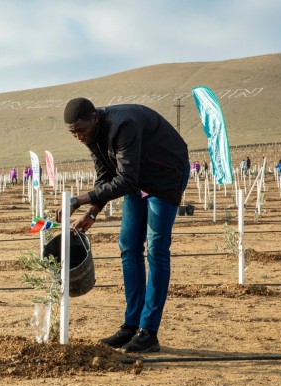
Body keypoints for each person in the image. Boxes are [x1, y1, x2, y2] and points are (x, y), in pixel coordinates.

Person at [56, 98, 189, 353]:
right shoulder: (91, 136)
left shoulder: (123, 124)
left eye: (80, 129)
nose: (77, 136)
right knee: (128, 245)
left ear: (94, 118)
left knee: (157, 249)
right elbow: (106, 177)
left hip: (165, 174)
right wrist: (92, 213)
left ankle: (148, 331)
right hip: (137, 179)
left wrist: (78, 200)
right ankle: (131, 325)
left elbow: (125, 180)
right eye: (72, 132)